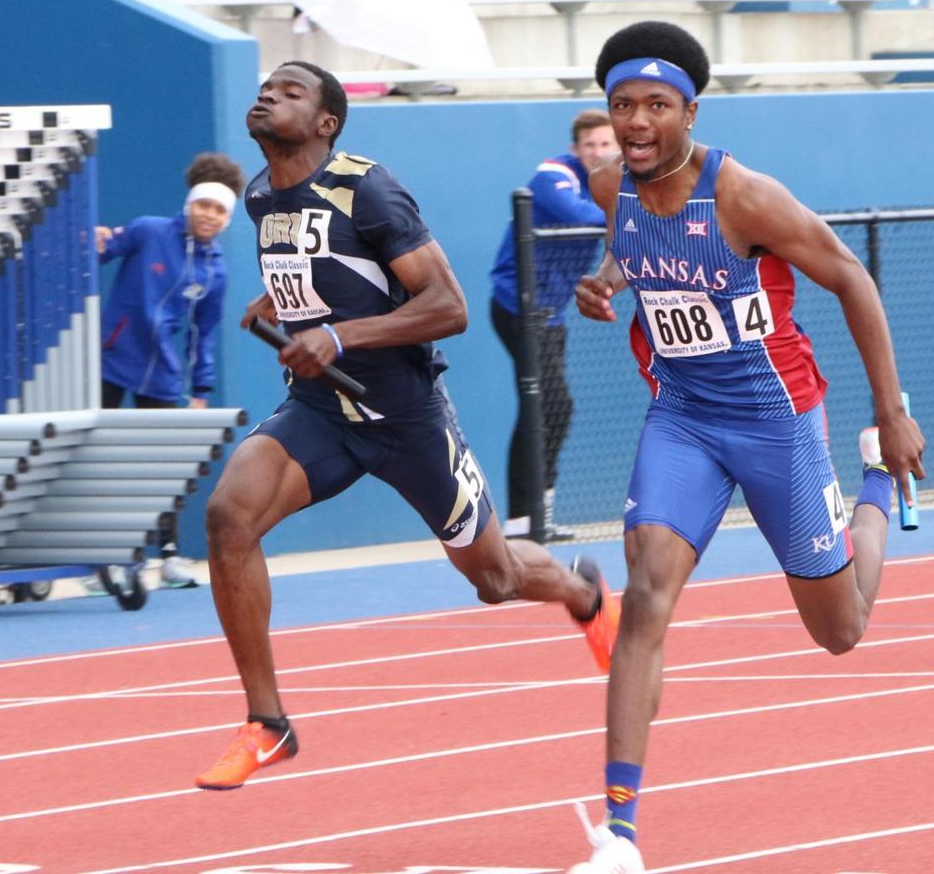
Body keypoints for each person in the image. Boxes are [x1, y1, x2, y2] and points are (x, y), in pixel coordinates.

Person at [193, 60, 619, 792]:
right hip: (323, 409)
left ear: (326, 123)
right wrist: (283, 300)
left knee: (495, 577)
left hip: (406, 415)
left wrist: (340, 336)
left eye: (290, 91)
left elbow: (446, 306)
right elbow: (334, 269)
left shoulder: (367, 186)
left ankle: (584, 595)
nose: (268, 93)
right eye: (266, 85)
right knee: (229, 516)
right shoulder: (263, 194)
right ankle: (269, 724)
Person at [566, 22, 926, 873]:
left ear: (691, 110)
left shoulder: (745, 197)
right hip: (683, 420)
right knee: (646, 598)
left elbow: (851, 278)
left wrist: (890, 412)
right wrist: (610, 281)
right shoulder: (611, 184)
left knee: (839, 632)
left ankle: (871, 484)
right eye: (623, 105)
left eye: (657, 105)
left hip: (777, 423)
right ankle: (620, 834)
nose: (638, 120)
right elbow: (639, 249)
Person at [96, 151, 246, 587]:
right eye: (204, 205)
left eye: (220, 210)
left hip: (162, 372)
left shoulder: (215, 270)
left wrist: (201, 389)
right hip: (110, 359)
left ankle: (168, 555)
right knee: (102, 457)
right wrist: (96, 238)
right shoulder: (148, 231)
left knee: (161, 464)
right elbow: (98, 251)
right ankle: (104, 557)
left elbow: (204, 333)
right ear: (189, 204)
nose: (210, 215)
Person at [489, 110, 618, 540]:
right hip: (518, 307)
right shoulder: (552, 175)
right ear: (576, 149)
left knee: (551, 408)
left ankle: (537, 516)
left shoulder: (618, 180)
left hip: (553, 313)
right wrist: (631, 208)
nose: (598, 152)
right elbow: (581, 215)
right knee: (546, 404)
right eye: (591, 145)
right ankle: (523, 522)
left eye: (606, 144)